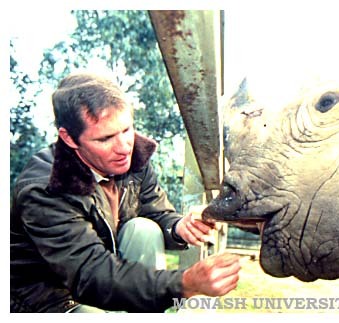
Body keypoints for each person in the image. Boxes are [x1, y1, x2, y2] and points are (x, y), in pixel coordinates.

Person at [10, 73, 241, 313]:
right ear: (69, 139)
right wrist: (184, 284)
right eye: (105, 138)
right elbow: (89, 273)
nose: (124, 147)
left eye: (126, 129)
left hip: (107, 278)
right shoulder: (45, 188)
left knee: (144, 229)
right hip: (49, 300)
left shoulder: (134, 159)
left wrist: (179, 227)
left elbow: (156, 211)